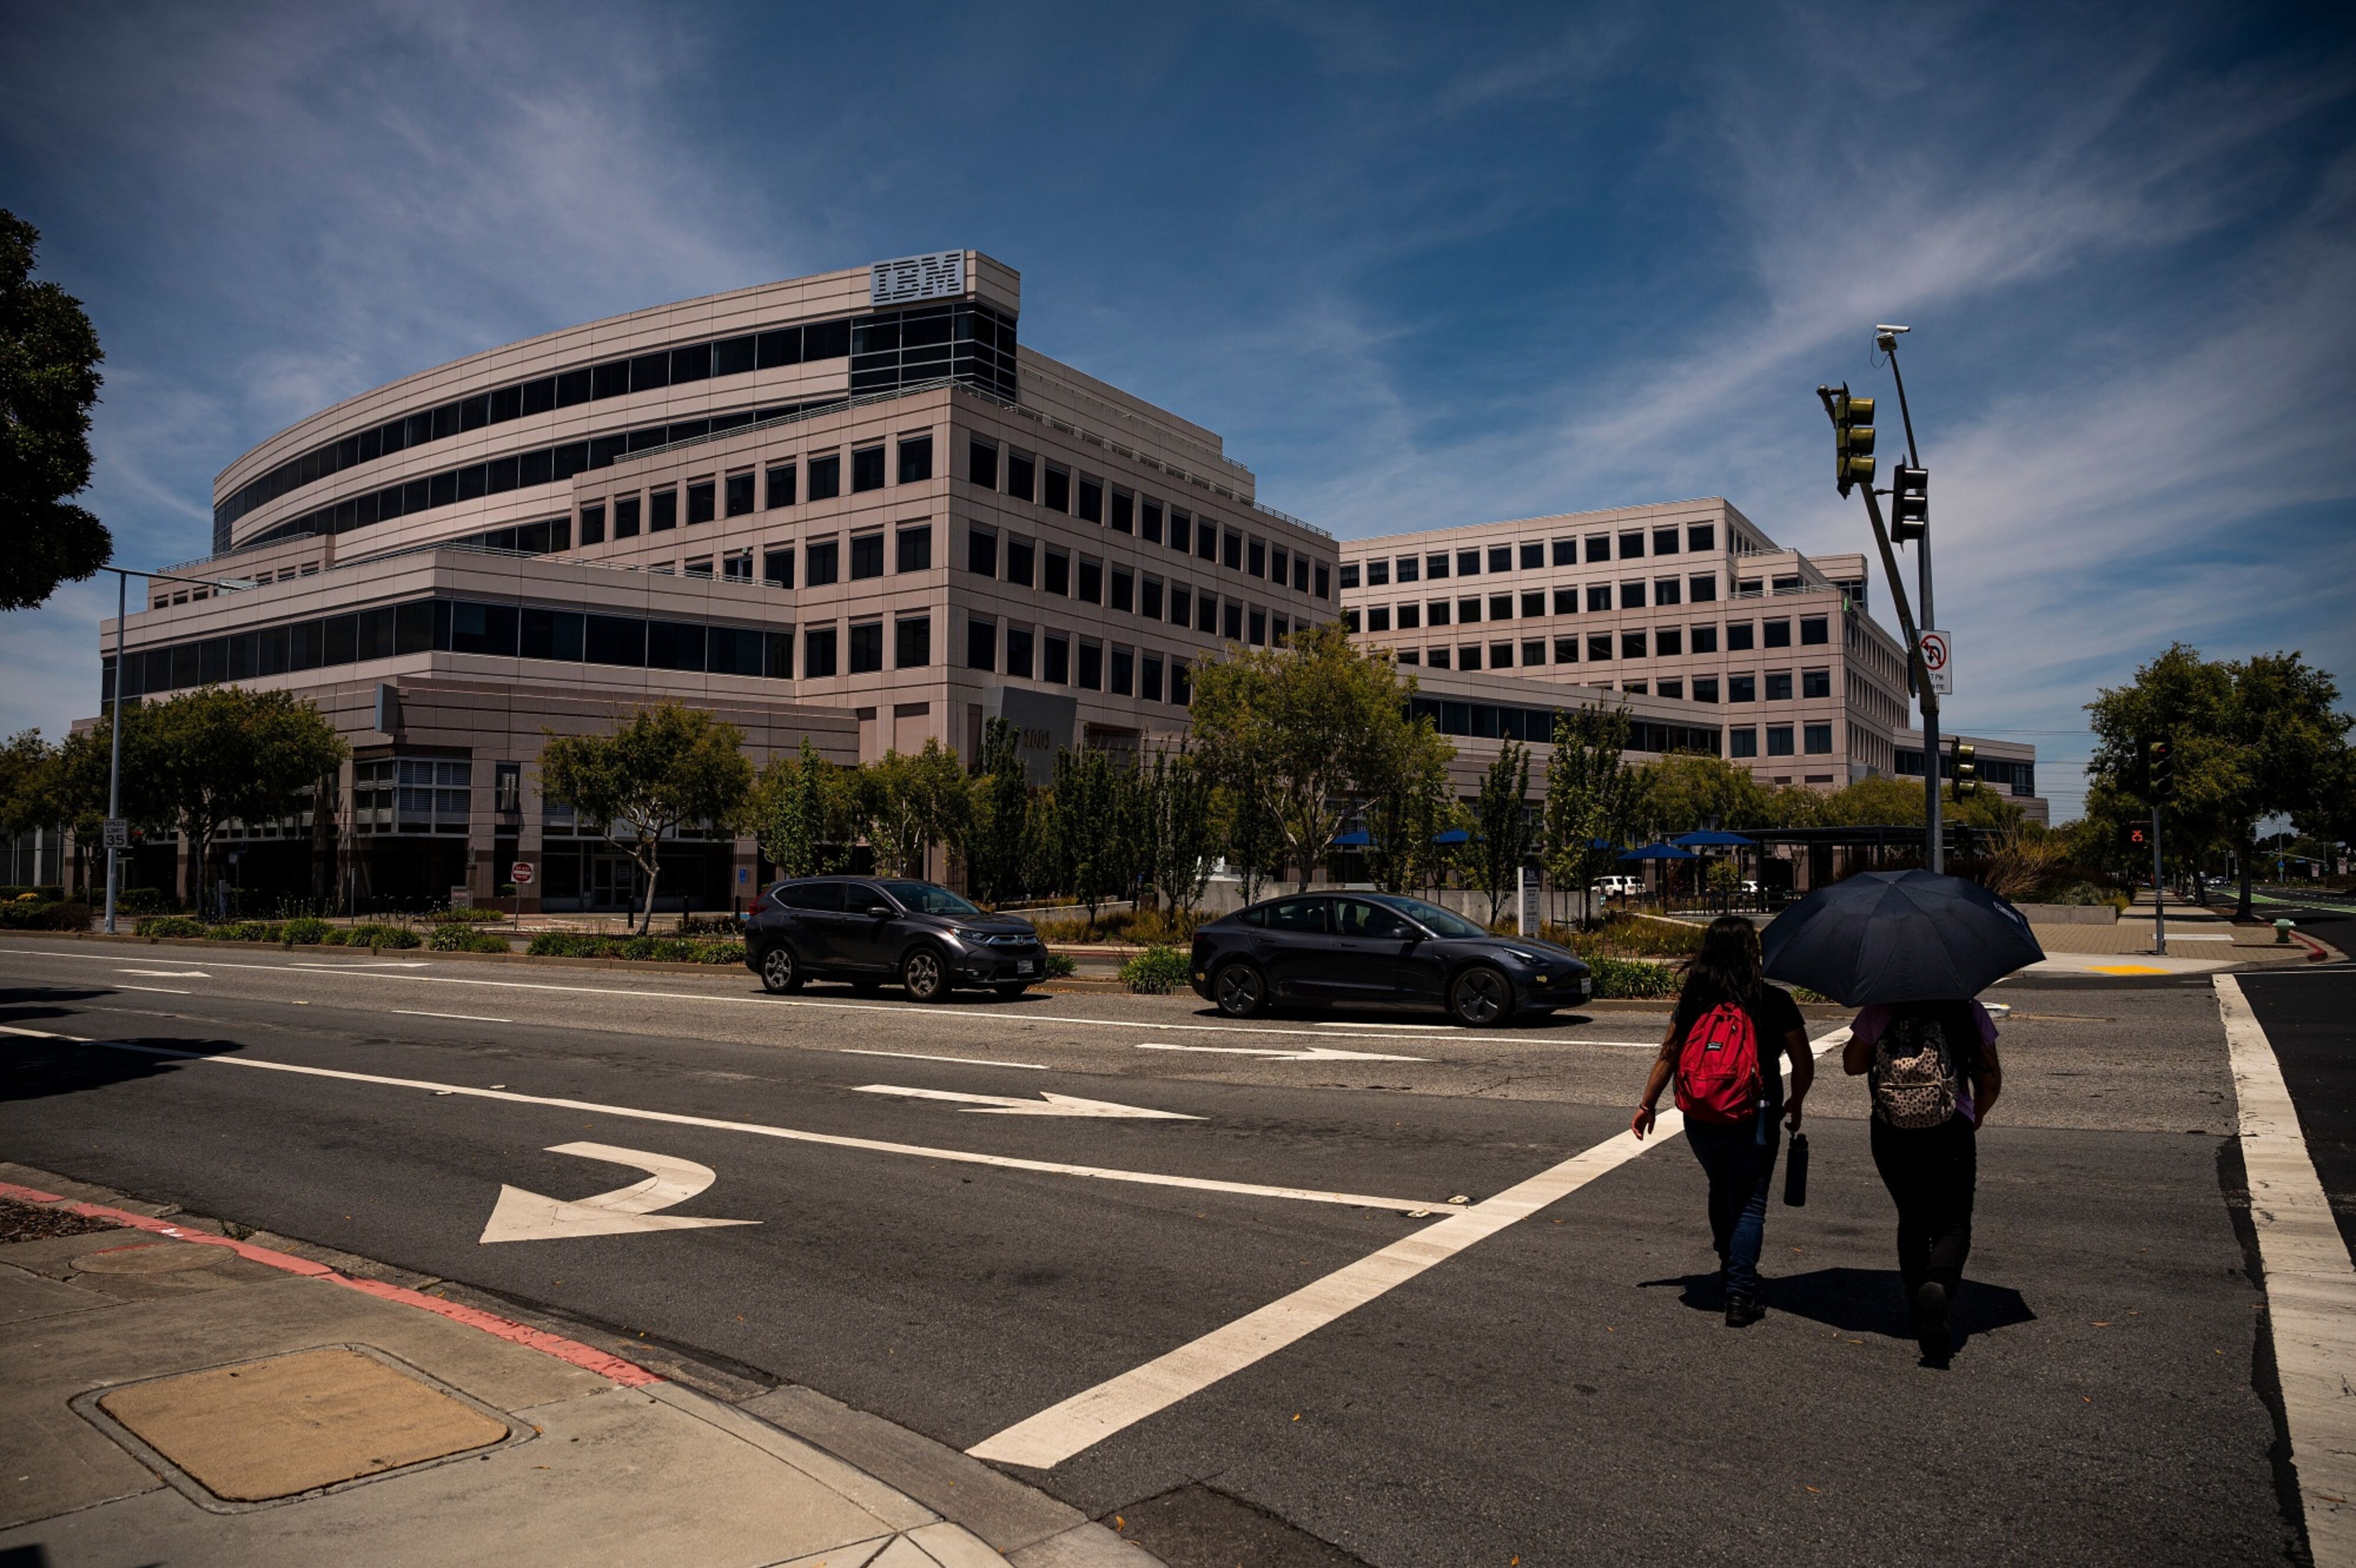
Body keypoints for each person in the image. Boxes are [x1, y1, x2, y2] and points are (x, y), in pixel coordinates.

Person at [1632, 915, 1814, 1327]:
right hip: (1758, 1113)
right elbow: (1803, 1062)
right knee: (1751, 1202)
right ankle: (1740, 1294)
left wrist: (1647, 1105)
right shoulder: (1773, 1000)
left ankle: (1728, 1262)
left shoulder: (1695, 999)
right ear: (1752, 952)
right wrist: (1797, 1102)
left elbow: (1669, 1054)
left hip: (1701, 1116)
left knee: (1721, 1185)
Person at [1842, 997, 2004, 1366]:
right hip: (1951, 1127)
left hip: (1890, 1130)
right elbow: (1990, 1078)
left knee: (1912, 1217)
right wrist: (1975, 1114)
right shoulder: (1966, 1008)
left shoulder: (1880, 1009)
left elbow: (1852, 1065)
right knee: (1954, 1221)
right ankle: (1939, 1286)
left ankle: (1919, 1305)